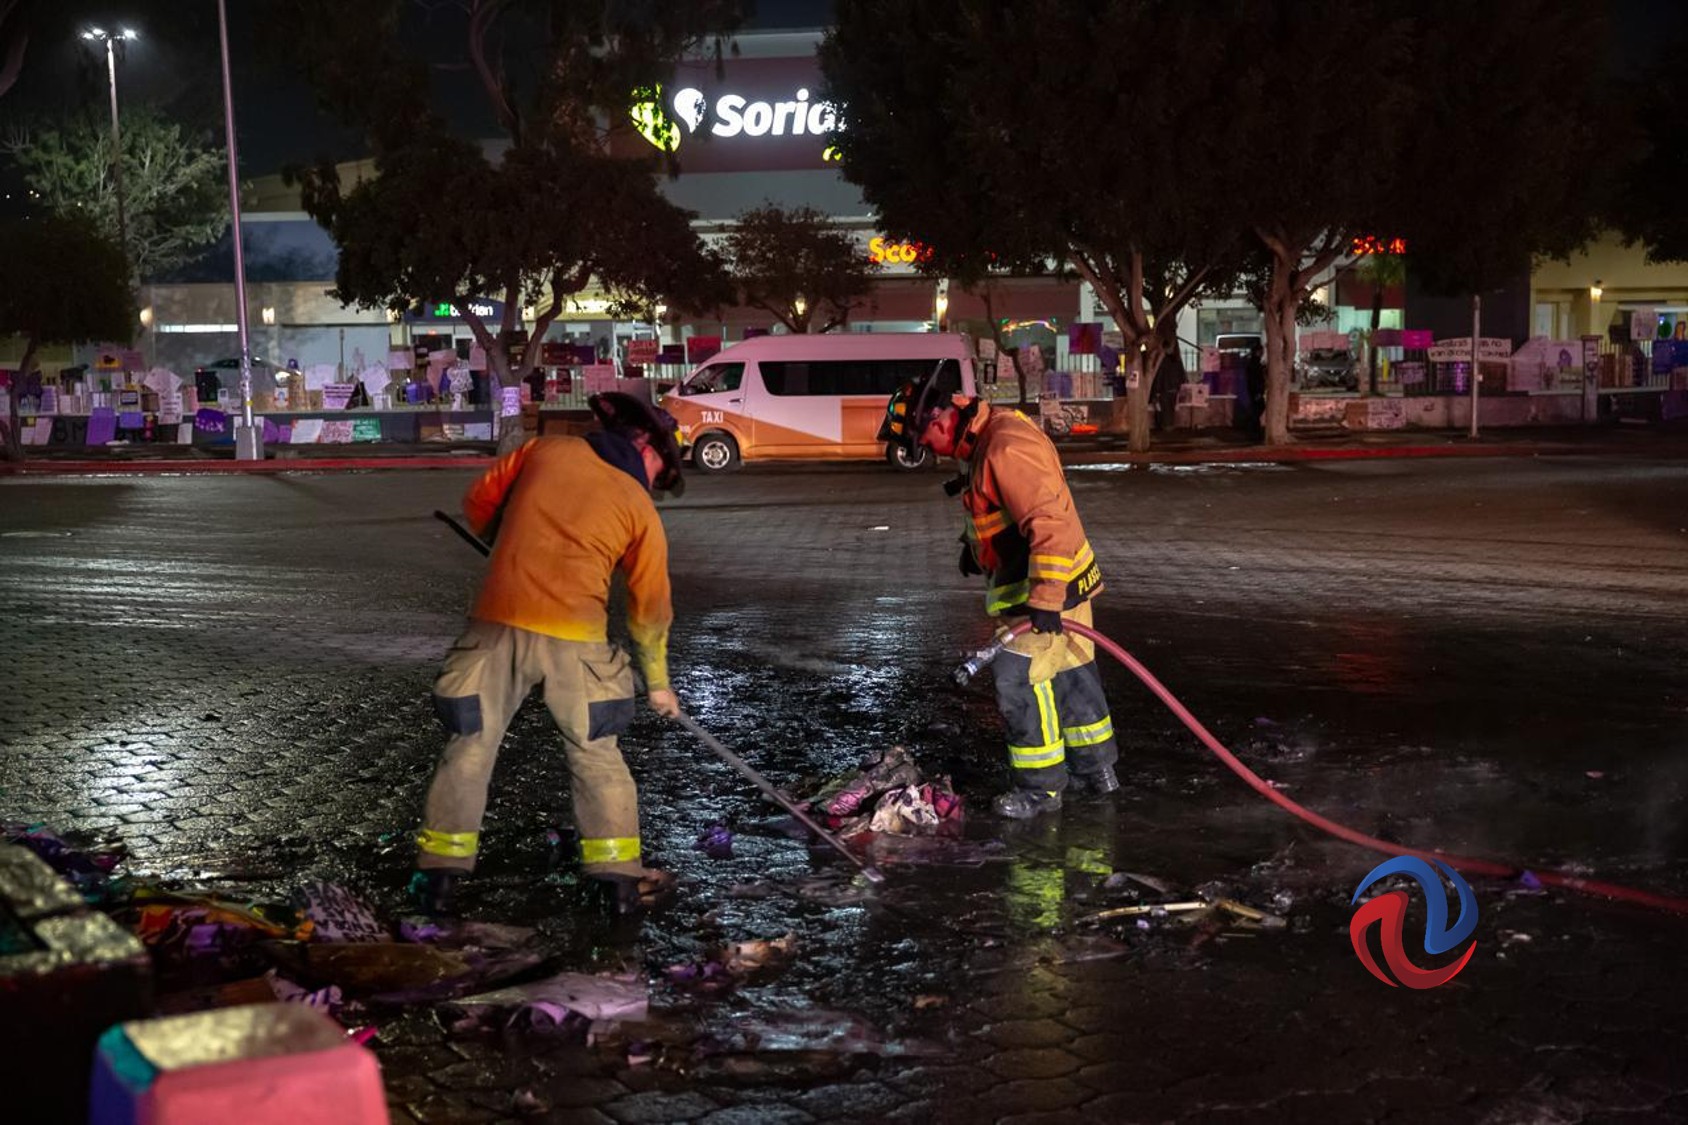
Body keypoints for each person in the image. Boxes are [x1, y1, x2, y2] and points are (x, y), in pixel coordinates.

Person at [410, 392, 686, 915]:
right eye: (660, 471)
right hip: (577, 643)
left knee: (470, 748)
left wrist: (511, 542)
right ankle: (618, 887)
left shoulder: (543, 451)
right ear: (646, 446)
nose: (655, 483)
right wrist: (658, 684)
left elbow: (478, 503)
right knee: (597, 757)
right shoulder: (639, 508)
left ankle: (438, 880)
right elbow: (650, 610)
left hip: (495, 630)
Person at [879, 371, 1120, 819]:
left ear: (939, 420)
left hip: (1041, 592)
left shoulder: (1004, 447)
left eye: (925, 441)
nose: (930, 450)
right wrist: (974, 549)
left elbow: (1049, 524)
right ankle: (1097, 772)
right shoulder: (990, 435)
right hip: (1066, 582)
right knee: (1072, 673)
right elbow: (999, 509)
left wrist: (1045, 600)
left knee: (1019, 681)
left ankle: (1040, 790)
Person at [1245, 342, 1267, 440]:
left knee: (1258, 408)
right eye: (1261, 351)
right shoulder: (1254, 363)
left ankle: (1254, 429)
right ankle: (1253, 429)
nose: (1262, 353)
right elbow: (1255, 379)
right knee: (1258, 408)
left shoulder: (1255, 362)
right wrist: (1258, 391)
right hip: (1255, 390)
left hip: (1255, 389)